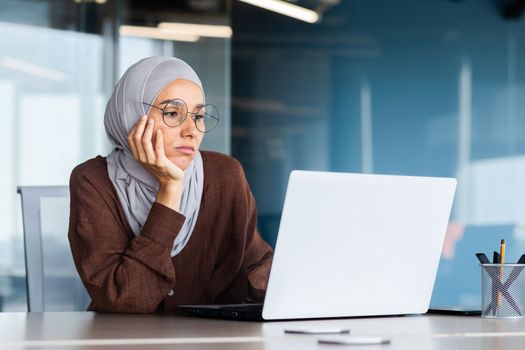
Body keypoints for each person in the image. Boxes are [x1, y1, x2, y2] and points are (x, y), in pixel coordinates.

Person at [68, 56, 273, 313]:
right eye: (173, 113)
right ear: (134, 116)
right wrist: (170, 188)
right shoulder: (93, 180)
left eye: (199, 116)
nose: (191, 130)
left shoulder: (225, 174)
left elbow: (245, 273)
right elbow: (125, 299)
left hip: (209, 341)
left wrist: (262, 279)